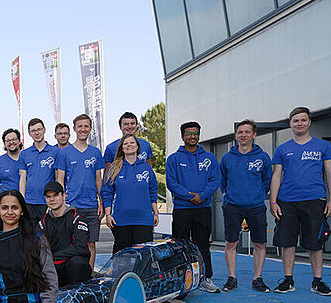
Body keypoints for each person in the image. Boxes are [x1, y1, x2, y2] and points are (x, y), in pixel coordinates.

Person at [270, 106, 331, 295]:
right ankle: (288, 280)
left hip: (315, 200)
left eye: (303, 120)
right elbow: (276, 176)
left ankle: (317, 281)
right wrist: (273, 202)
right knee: (287, 241)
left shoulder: (323, 146)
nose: (299, 123)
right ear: (290, 124)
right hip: (287, 201)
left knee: (315, 243)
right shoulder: (282, 149)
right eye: (296, 120)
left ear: (309, 122)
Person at [166, 121, 221, 293]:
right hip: (182, 209)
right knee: (180, 245)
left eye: (195, 133)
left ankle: (206, 278)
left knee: (202, 244)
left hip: (203, 208)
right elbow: (172, 183)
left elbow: (215, 180)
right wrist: (190, 197)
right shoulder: (174, 159)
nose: (192, 136)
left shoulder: (210, 158)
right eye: (189, 133)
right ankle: (179, 278)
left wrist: (202, 196)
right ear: (182, 136)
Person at [219, 120, 272, 292]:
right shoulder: (227, 158)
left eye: (247, 132)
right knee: (231, 243)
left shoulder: (263, 157)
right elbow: (223, 182)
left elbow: (267, 181)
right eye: (240, 132)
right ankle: (231, 278)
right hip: (233, 206)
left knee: (259, 244)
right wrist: (231, 196)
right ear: (236, 136)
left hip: (256, 206)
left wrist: (256, 195)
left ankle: (257, 278)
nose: (243, 135)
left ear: (254, 134)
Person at [56, 114, 103, 268]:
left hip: (91, 206)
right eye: (80, 126)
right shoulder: (64, 153)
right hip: (72, 206)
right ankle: (71, 277)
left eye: (86, 126)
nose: (83, 129)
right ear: (75, 129)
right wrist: (61, 204)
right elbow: (60, 180)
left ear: (90, 129)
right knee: (70, 244)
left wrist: (101, 202)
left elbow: (98, 180)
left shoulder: (95, 152)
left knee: (90, 245)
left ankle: (89, 277)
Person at [101, 135, 159, 254]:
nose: (129, 145)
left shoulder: (146, 169)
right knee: (122, 257)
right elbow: (107, 193)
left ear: (138, 147)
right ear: (122, 148)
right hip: (121, 220)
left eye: (132, 142)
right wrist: (108, 214)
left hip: (143, 220)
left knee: (144, 257)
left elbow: (153, 191)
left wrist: (155, 213)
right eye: (126, 143)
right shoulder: (113, 169)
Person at [38, 181, 92, 286]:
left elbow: (81, 248)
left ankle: (79, 297)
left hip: (72, 269)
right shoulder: (43, 223)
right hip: (53, 268)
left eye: (55, 195)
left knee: (77, 262)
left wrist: (54, 257)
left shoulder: (77, 219)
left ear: (64, 195)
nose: (52, 199)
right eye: (48, 197)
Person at [19, 118, 60, 223]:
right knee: (29, 236)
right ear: (29, 133)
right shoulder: (24, 154)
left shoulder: (55, 152)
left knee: (48, 236)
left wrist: (56, 201)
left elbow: (58, 178)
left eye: (39, 129)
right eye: (33, 131)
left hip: (47, 202)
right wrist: (22, 200)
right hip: (29, 202)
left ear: (44, 130)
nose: (37, 133)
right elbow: (23, 178)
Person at [0, 128, 22, 196]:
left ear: (19, 141)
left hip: (29, 202)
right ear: (4, 144)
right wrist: (5, 197)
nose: (11, 142)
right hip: (9, 202)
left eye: (14, 139)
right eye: (8, 141)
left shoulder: (28, 158)